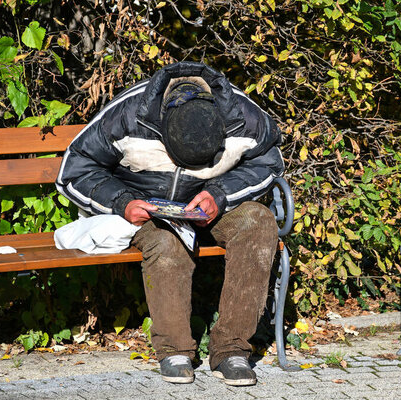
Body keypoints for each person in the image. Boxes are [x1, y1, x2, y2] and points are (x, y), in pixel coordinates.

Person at [56, 61, 285, 386]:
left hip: (210, 205)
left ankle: (232, 350)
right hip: (144, 209)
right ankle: (174, 351)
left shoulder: (242, 116)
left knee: (259, 223)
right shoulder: (129, 113)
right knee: (166, 242)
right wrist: (123, 203)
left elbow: (268, 162)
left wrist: (219, 194)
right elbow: (75, 170)